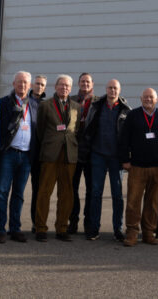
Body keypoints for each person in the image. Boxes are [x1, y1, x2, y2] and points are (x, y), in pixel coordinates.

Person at [119, 88, 158, 246]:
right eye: (145, 97)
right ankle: (131, 232)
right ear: (140, 98)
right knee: (133, 201)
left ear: (156, 99)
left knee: (153, 201)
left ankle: (149, 232)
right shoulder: (133, 115)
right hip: (137, 166)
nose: (148, 100)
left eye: (151, 97)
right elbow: (124, 139)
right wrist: (125, 160)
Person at [82, 79, 130, 241]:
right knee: (96, 193)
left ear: (119, 90)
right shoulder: (96, 107)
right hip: (98, 155)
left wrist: (127, 157)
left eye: (115, 88)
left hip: (116, 158)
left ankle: (118, 229)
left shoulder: (125, 110)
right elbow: (88, 128)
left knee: (117, 195)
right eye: (110, 88)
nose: (112, 90)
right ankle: (94, 228)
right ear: (106, 89)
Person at [34, 75, 80, 241]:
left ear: (71, 88)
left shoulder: (76, 106)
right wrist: (50, 143)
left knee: (67, 193)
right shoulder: (45, 106)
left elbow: (76, 130)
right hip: (50, 154)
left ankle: (62, 228)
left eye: (67, 86)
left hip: (69, 155)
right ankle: (40, 228)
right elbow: (40, 130)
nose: (65, 88)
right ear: (55, 86)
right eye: (62, 85)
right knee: (44, 191)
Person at [0, 71, 39, 243]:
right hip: (9, 154)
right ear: (13, 84)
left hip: (26, 156)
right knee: (2, 192)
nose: (22, 85)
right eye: (19, 82)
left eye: (25, 83)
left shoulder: (35, 105)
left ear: (30, 86)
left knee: (19, 194)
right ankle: (0, 229)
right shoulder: (4, 103)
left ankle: (15, 228)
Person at [68, 72, 97, 235]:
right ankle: (73, 221)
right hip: (74, 151)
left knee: (91, 190)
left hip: (92, 152)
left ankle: (88, 221)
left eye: (88, 81)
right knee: (72, 188)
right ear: (79, 83)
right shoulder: (71, 100)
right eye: (82, 81)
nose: (85, 84)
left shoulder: (98, 102)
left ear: (92, 84)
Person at [27, 73, 47, 229]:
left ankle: (36, 222)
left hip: (40, 154)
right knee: (15, 190)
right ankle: (12, 224)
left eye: (42, 84)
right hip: (23, 150)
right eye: (37, 83)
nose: (39, 86)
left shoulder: (47, 104)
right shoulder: (24, 101)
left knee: (38, 190)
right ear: (32, 85)